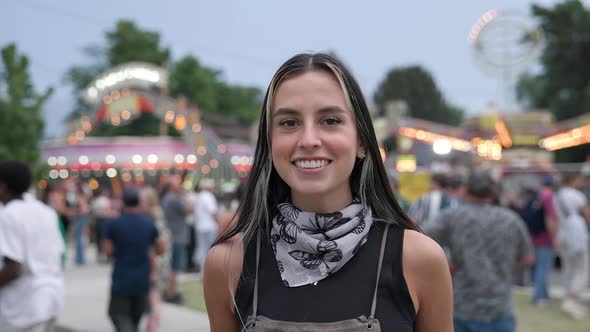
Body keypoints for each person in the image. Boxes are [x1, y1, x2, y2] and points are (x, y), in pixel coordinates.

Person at [204, 53, 453, 332]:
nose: (309, 140)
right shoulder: (228, 263)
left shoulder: (419, 259)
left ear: (362, 142)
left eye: (330, 120)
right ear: (269, 143)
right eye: (289, 123)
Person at [424, 170, 534, 332]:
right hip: (500, 308)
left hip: (462, 307)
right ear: (492, 191)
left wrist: (447, 267)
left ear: (465, 188)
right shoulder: (511, 220)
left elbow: (421, 241)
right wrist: (502, 263)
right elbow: (528, 258)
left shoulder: (451, 217)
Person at [0, 160, 65, 331]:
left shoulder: (8, 215)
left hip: (24, 304)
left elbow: (13, 268)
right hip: (51, 298)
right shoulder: (46, 212)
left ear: (3, 187)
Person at [103, 187, 164, 332]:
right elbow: (160, 248)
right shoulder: (148, 223)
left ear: (123, 202)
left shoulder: (113, 224)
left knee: (118, 314)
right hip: (143, 278)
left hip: (121, 277)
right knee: (136, 317)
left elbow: (107, 251)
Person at [518, 176, 558, 307]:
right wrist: (554, 237)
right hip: (545, 238)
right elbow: (550, 218)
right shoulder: (549, 197)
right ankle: (539, 297)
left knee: (537, 268)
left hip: (533, 237)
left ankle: (544, 294)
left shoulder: (536, 196)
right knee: (543, 268)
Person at [555, 173, 590, 319]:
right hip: (576, 233)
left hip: (562, 232)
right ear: (573, 181)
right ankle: (571, 298)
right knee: (582, 268)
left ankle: (568, 297)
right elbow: (587, 214)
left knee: (568, 268)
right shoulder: (576, 195)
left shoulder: (557, 195)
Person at [140, 186, 171, 332]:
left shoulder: (153, 217)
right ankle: (152, 325)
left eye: (142, 200)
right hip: (157, 260)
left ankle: (153, 326)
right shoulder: (154, 215)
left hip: (156, 261)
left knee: (154, 295)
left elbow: (158, 243)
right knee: (153, 295)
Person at [160, 176, 192, 303]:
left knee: (171, 266)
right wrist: (184, 196)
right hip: (177, 236)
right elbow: (190, 209)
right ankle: (171, 293)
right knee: (175, 267)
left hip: (171, 235)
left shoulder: (166, 198)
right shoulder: (174, 199)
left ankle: (169, 290)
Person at [192, 178, 219, 273]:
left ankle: (202, 270)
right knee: (210, 250)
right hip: (209, 227)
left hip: (200, 226)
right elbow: (213, 212)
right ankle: (207, 270)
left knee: (201, 248)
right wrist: (219, 222)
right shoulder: (208, 196)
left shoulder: (198, 196)